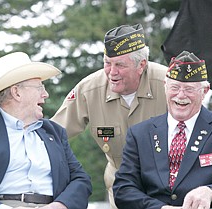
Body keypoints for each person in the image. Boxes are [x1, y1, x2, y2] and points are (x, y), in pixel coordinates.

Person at [113, 51, 212, 209]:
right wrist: (160, 208)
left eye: (189, 89)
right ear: (165, 87)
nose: (180, 95)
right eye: (175, 87)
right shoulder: (139, 134)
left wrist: (210, 191)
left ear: (205, 91)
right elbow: (123, 189)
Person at [51, 24, 168, 208]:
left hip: (168, 189)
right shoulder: (89, 89)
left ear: (141, 65)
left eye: (120, 65)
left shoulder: (169, 84)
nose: (111, 72)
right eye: (107, 63)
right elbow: (53, 134)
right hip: (121, 190)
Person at [0, 52, 92, 209]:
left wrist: (59, 205)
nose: (45, 94)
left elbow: (81, 179)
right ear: (16, 92)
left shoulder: (54, 131)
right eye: (40, 87)